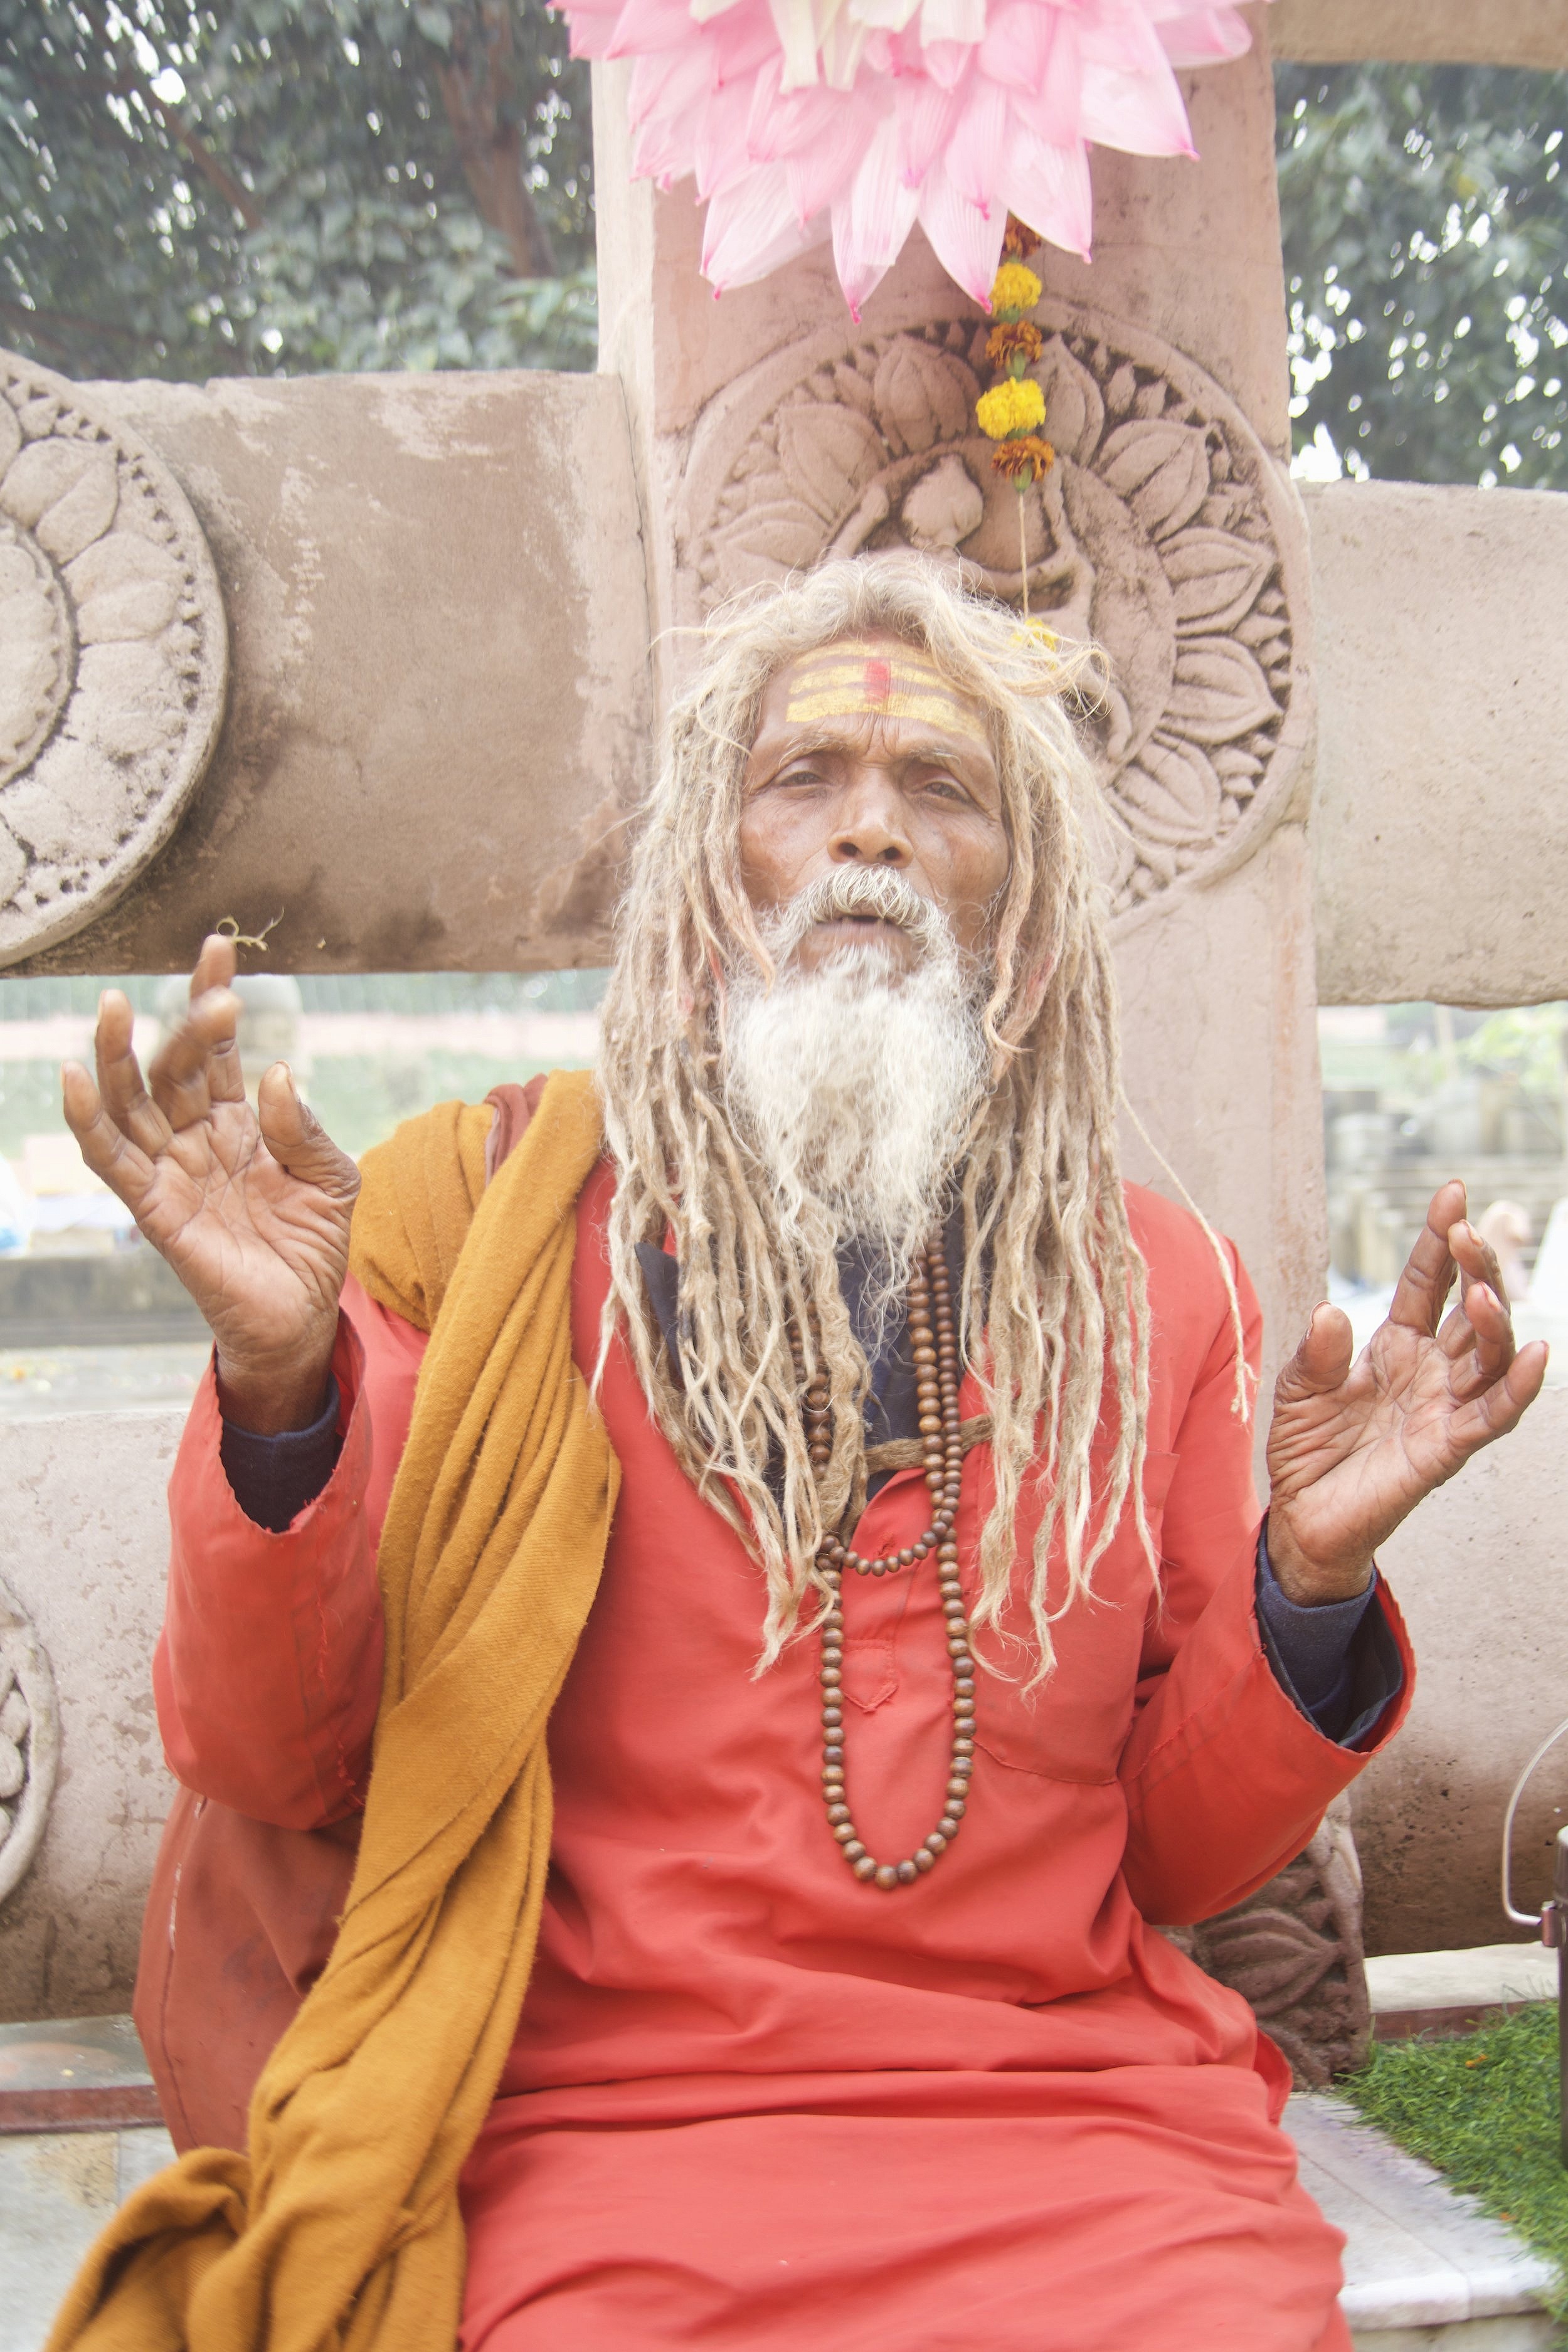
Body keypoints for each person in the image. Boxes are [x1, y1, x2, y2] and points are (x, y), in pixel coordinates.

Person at [55, 561, 1544, 2352]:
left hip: (1067, 2120)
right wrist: (283, 1376)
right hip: (602, 2122)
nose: (871, 838)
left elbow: (1162, 1858)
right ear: (705, 881)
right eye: (800, 781)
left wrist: (1306, 1587)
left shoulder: (1156, 1288)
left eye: (940, 791)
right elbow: (266, 1748)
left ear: (1028, 913)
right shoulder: (494, 1231)